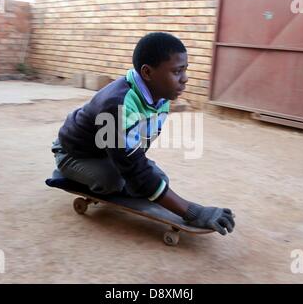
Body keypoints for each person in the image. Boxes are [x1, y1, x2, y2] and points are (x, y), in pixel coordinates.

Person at [51, 32, 235, 235]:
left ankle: (125, 176)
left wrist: (143, 178)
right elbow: (133, 168)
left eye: (185, 70)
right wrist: (192, 211)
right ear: (147, 73)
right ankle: (73, 173)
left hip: (108, 151)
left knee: (157, 179)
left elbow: (138, 150)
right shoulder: (117, 105)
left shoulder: (161, 98)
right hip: (75, 154)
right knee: (114, 181)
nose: (185, 79)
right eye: (177, 72)